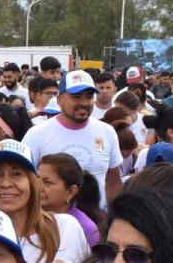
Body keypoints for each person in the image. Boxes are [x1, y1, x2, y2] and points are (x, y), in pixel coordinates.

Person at [23, 70, 124, 206]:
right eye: (76, 96)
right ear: (59, 100)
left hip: (96, 223)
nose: (83, 103)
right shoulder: (37, 134)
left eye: (89, 97)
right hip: (51, 222)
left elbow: (113, 180)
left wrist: (112, 217)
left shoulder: (107, 131)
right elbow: (25, 180)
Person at [38, 152, 104, 247]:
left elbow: (90, 261)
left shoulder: (86, 228)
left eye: (47, 182)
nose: (38, 187)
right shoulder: (24, 218)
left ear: (70, 192)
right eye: (37, 179)